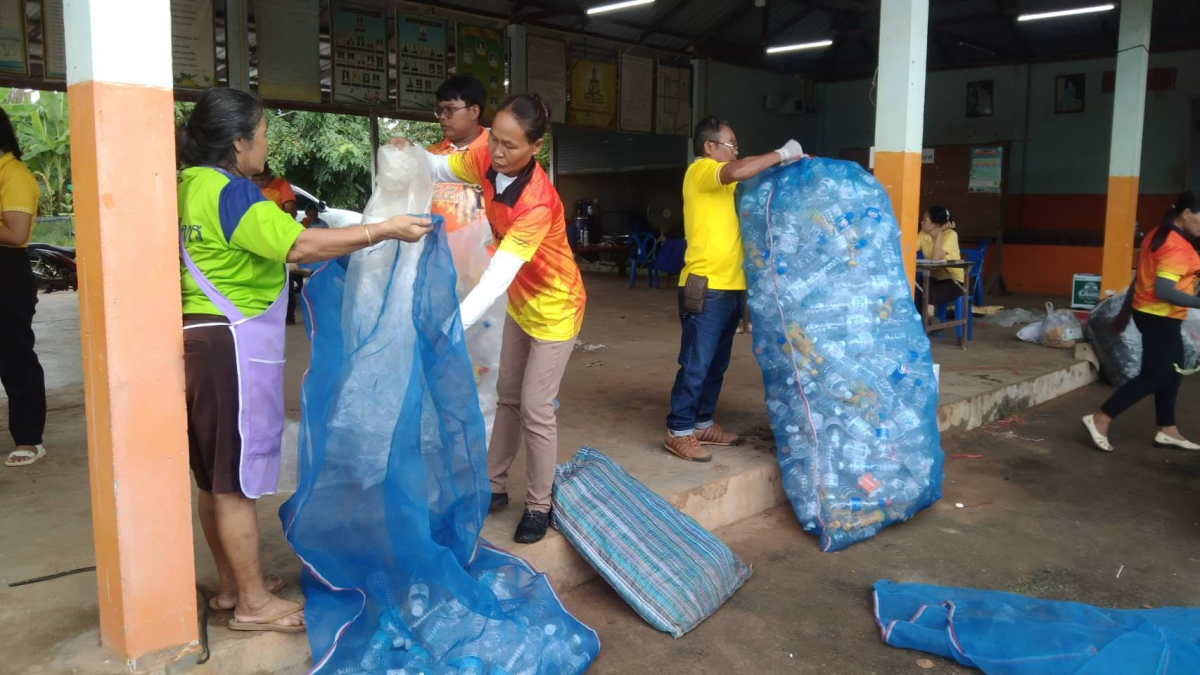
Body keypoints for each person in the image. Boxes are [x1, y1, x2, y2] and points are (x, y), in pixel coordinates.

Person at [177, 88, 431, 632]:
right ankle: (252, 605)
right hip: (232, 347)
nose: (265, 142)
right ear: (239, 141)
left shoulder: (186, 185)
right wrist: (383, 229)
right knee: (235, 482)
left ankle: (230, 586)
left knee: (212, 476)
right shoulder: (232, 192)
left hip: (198, 339)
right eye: (262, 132)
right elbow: (298, 248)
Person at [397, 94, 585, 545]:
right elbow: (441, 168)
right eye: (495, 141)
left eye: (511, 147)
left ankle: (539, 505)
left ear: (536, 147)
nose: (498, 154)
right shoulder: (484, 158)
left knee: (537, 409)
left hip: (556, 308)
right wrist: (404, 153)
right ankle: (493, 485)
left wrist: (452, 324)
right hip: (523, 303)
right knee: (507, 397)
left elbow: (498, 275)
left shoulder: (537, 202)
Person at [664, 116, 803, 463]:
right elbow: (740, 170)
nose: (736, 151)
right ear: (709, 147)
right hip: (706, 285)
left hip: (731, 287)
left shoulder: (723, 187)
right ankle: (678, 430)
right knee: (695, 363)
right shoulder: (700, 172)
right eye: (732, 144)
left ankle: (702, 423)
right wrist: (782, 153)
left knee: (716, 363)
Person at [1083, 192, 1200, 453]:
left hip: (1151, 313)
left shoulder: (1160, 233)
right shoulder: (1176, 247)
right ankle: (1101, 418)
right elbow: (1165, 291)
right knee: (1155, 375)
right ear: (1187, 214)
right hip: (1160, 316)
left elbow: (1144, 278)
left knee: (1174, 369)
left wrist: (1125, 312)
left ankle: (1168, 430)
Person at [0, 108, 47, 468]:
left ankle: (29, 438)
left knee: (14, 356)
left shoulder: (14, 174)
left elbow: (15, 234)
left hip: (7, 272)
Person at [915, 206, 965, 323]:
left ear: (935, 224)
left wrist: (940, 234)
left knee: (924, 293)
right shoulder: (923, 234)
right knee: (922, 285)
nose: (921, 222)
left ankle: (929, 321)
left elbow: (936, 257)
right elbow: (910, 250)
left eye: (925, 220)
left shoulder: (951, 234)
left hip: (954, 281)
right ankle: (932, 318)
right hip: (933, 278)